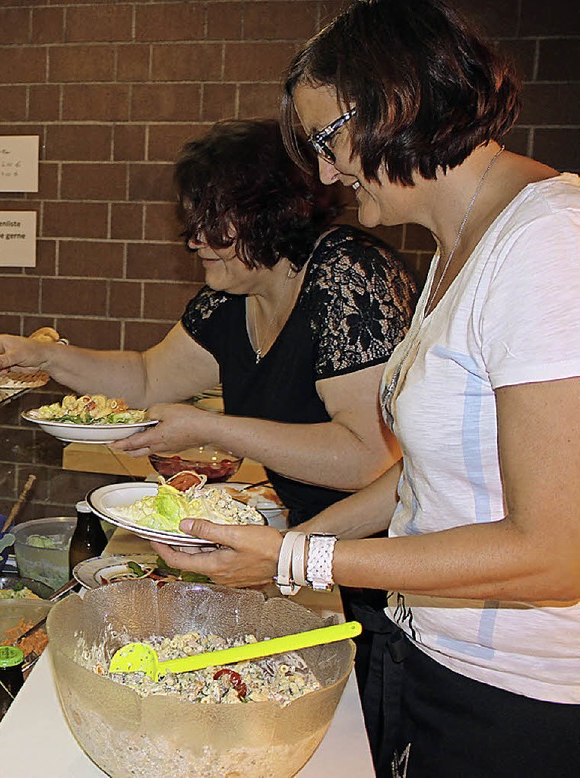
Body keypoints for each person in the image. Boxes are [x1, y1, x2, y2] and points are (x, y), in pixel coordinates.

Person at [147, 2, 580, 777]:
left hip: (521, 695)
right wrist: (289, 555)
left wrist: (306, 562)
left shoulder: (547, 246)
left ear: (398, 104)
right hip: (433, 655)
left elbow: (554, 552)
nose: (324, 174)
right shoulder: (459, 250)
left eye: (325, 139)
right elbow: (420, 478)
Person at [0, 118, 416, 529]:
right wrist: (45, 355)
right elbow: (146, 379)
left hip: (381, 548)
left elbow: (367, 458)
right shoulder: (231, 295)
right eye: (194, 220)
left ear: (273, 217)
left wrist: (209, 428)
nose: (195, 240)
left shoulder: (350, 278)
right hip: (306, 536)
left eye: (214, 222)